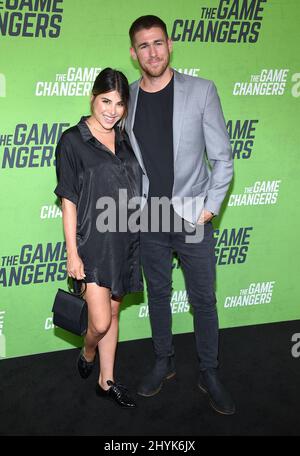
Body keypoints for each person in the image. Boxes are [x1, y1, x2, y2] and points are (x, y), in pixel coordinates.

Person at [126, 15, 235, 415]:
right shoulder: (129, 97)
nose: (151, 52)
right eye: (143, 46)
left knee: (203, 299)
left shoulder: (201, 91)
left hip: (192, 215)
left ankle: (209, 371)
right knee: (157, 294)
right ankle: (163, 360)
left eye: (157, 43)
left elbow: (222, 158)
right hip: (150, 217)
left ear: (169, 44)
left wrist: (209, 208)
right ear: (133, 52)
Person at [54, 68, 143, 408]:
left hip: (126, 241)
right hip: (92, 243)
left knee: (115, 315)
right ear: (92, 97)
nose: (112, 110)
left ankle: (107, 382)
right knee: (100, 321)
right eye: (106, 101)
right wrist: (72, 253)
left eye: (120, 104)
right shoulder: (73, 140)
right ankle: (87, 351)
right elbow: (69, 200)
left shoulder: (125, 139)